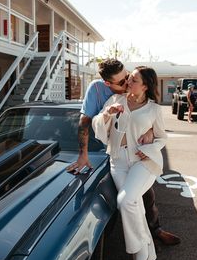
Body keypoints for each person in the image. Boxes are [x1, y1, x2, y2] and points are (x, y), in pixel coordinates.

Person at [67, 59, 180, 246]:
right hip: (108, 150)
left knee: (146, 195)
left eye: (127, 76)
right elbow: (85, 122)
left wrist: (151, 130)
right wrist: (83, 154)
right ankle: (141, 244)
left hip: (134, 151)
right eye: (121, 82)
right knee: (125, 201)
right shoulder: (97, 90)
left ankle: (155, 231)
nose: (126, 82)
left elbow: (147, 108)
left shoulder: (133, 86)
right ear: (107, 84)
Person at [92, 66, 166, 260]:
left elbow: (162, 138)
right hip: (118, 161)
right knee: (135, 207)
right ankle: (144, 259)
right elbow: (98, 123)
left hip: (142, 162)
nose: (128, 82)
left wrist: (150, 146)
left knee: (125, 201)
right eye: (129, 78)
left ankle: (141, 257)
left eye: (133, 80)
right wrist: (107, 113)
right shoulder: (117, 99)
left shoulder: (154, 109)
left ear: (145, 86)